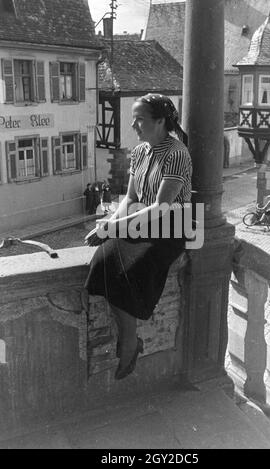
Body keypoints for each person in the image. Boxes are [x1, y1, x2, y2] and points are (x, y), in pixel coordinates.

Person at [84, 94, 192, 380]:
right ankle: (129, 337)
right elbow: (130, 197)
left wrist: (111, 230)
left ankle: (130, 342)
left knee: (128, 270)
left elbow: (162, 207)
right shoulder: (141, 151)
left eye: (140, 118)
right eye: (133, 118)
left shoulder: (177, 153)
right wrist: (110, 222)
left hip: (170, 227)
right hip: (142, 220)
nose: (133, 125)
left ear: (160, 121)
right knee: (102, 262)